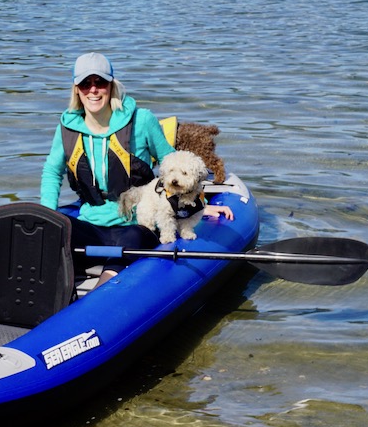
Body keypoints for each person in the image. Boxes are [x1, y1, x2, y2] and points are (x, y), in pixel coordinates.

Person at [40, 52, 233, 286]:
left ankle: (104, 290)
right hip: (91, 220)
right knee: (57, 230)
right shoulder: (67, 126)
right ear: (76, 89)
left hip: (136, 223)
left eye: (99, 82)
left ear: (111, 85)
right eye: (85, 84)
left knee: (131, 237)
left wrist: (196, 204)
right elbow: (52, 172)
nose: (93, 90)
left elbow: (171, 162)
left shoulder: (142, 120)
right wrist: (47, 217)